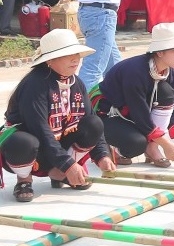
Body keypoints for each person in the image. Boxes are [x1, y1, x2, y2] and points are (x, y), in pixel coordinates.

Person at [0, 29, 114, 202]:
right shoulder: (34, 85)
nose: (75, 59)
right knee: (24, 142)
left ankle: (59, 172)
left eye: (76, 53)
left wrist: (102, 155)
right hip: (32, 148)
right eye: (68, 55)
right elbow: (40, 130)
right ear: (50, 60)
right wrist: (68, 164)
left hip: (58, 143)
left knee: (94, 123)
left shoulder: (77, 83)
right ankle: (24, 179)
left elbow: (89, 116)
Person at [91, 23, 174, 167]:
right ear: (159, 52)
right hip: (108, 115)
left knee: (166, 91)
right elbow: (140, 113)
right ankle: (111, 146)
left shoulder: (171, 73)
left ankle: (152, 147)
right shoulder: (135, 72)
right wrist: (166, 144)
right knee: (136, 144)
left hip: (131, 115)